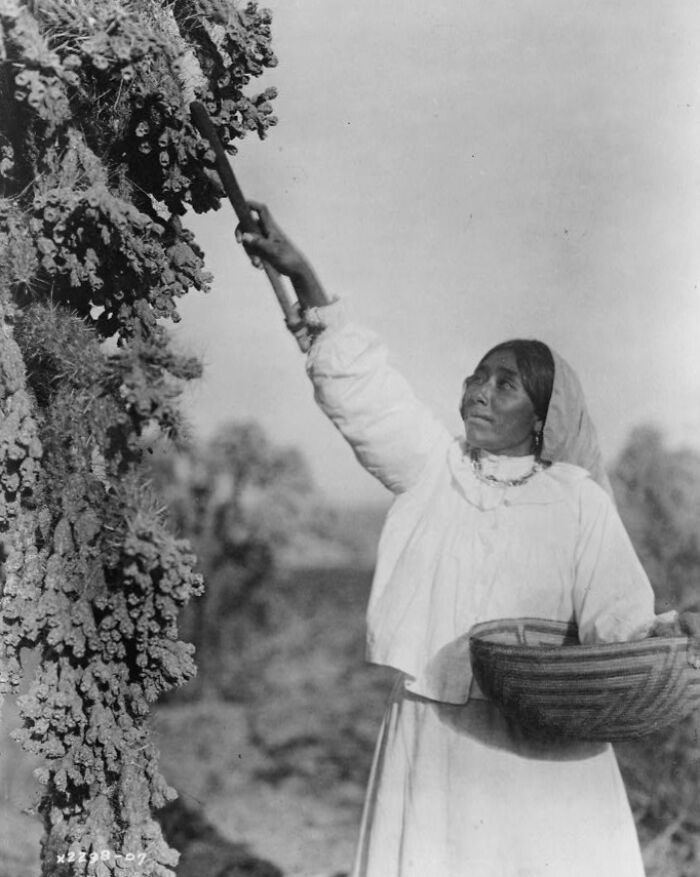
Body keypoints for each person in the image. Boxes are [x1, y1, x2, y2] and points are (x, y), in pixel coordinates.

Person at [236, 204, 693, 877]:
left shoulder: (577, 501)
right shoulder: (433, 469)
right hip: (441, 730)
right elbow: (366, 392)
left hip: (549, 743)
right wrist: (304, 277)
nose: (480, 390)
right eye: (477, 376)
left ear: (541, 418)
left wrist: (669, 636)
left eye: (504, 383)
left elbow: (617, 624)